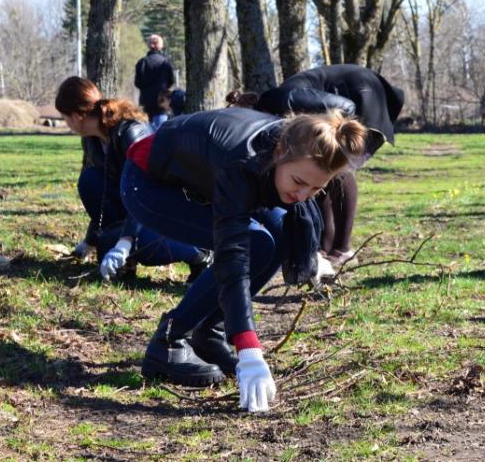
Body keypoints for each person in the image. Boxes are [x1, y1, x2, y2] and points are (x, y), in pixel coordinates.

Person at [120, 106, 369, 412]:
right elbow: (232, 260)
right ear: (279, 153)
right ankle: (168, 342)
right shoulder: (238, 163)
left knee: (280, 236)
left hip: (201, 182)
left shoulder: (294, 148)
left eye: (317, 188)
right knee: (255, 243)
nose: (304, 195)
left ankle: (210, 333)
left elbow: (290, 217)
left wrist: (311, 253)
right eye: (299, 182)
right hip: (149, 185)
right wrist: (248, 347)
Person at [233, 64, 405, 265]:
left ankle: (342, 249)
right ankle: (325, 248)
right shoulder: (278, 106)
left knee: (340, 170)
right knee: (316, 176)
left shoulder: (280, 100)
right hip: (359, 96)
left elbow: (345, 106)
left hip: (365, 99)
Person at [55, 76, 211, 282]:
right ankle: (126, 254)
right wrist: (90, 242)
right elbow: (103, 198)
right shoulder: (91, 140)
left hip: (163, 208)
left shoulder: (132, 133)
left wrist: (125, 242)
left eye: (65, 118)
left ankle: (201, 254)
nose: (67, 123)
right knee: (89, 181)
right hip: (134, 207)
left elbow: (148, 191)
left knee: (138, 241)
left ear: (76, 116)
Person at [134, 34, 175, 130]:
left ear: (149, 45)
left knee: (147, 135)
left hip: (146, 103)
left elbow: (137, 83)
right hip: (162, 103)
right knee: (161, 134)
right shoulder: (165, 62)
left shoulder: (142, 62)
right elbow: (171, 81)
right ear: (160, 46)